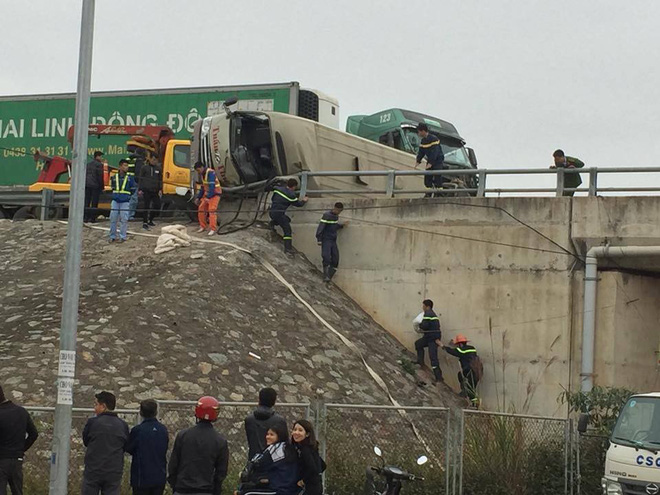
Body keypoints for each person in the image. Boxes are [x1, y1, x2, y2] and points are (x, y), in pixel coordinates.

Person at [168, 396, 229, 495]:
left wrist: (174, 485)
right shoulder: (220, 441)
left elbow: (173, 464)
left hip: (182, 488)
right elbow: (221, 472)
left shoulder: (183, 435)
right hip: (205, 490)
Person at [82, 391, 130, 495]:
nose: (94, 408)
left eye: (96, 404)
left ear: (103, 406)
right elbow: (125, 446)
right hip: (114, 470)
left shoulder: (92, 423)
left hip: (93, 469)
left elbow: (86, 441)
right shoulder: (122, 425)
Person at [0, 385, 38, 495]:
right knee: (17, 491)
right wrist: (21, 449)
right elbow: (34, 434)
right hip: (17, 459)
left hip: (1, 460)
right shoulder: (21, 412)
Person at [126, 399, 169, 495]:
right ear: (156, 412)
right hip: (159, 476)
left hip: (141, 477)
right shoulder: (163, 430)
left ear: (141, 413)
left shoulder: (138, 430)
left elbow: (129, 448)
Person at [241, 424, 299, 495]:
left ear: (279, 436)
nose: (268, 437)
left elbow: (258, 464)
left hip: (280, 489)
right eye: (267, 434)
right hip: (291, 488)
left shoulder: (274, 449)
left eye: (272, 435)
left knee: (246, 493)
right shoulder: (287, 447)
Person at [245, 388, 288, 460]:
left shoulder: (249, 420)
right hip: (274, 460)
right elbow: (285, 443)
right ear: (274, 401)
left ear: (259, 399)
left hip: (254, 459)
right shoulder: (280, 421)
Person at [440, 334, 482, 407]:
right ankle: (473, 402)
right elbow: (461, 351)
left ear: (460, 344)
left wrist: (443, 346)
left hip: (470, 370)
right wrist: (454, 345)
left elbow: (455, 352)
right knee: (471, 387)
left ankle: (467, 395)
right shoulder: (471, 348)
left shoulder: (462, 350)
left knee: (466, 384)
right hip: (477, 370)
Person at [269, 179, 308, 254]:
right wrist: (304, 200)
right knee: (287, 230)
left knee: (287, 219)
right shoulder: (291, 195)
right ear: (293, 187)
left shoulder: (278, 189)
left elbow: (273, 198)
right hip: (279, 214)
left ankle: (272, 223)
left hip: (271, 212)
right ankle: (288, 248)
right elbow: (298, 204)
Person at [291, 420, 326, 495]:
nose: (296, 432)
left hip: (309, 489)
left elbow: (312, 468)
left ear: (307, 434)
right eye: (295, 429)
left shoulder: (304, 450)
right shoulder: (311, 448)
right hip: (317, 487)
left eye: (300, 430)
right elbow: (323, 465)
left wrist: (303, 481)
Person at [316, 202, 347, 283]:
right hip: (326, 239)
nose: (339, 213)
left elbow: (334, 226)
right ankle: (325, 276)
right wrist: (319, 239)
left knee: (335, 259)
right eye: (339, 211)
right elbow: (321, 227)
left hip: (333, 240)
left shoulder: (336, 216)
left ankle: (329, 276)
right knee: (326, 256)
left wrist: (341, 226)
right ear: (336, 209)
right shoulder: (327, 215)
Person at [414, 299, 443, 382]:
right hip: (430, 336)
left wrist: (419, 325)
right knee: (418, 344)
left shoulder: (428, 313)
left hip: (433, 338)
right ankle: (420, 362)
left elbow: (425, 325)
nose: (422, 307)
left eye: (423, 306)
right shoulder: (431, 314)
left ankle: (439, 377)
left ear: (427, 306)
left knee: (433, 357)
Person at [109, 159, 136, 243]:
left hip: (125, 201)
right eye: (124, 165)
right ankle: (112, 236)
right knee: (113, 219)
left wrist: (127, 196)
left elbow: (133, 189)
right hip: (115, 201)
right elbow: (112, 187)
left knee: (124, 220)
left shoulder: (130, 178)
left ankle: (122, 237)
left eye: (127, 166)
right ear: (120, 166)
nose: (126, 167)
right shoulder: (114, 177)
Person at [414, 123, 445, 197]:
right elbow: (421, 152)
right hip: (430, 160)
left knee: (437, 174)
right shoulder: (423, 141)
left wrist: (431, 163)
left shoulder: (434, 139)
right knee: (427, 176)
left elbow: (435, 152)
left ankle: (439, 192)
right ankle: (429, 191)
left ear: (423, 131)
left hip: (437, 160)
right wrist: (418, 160)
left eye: (419, 131)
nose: (418, 133)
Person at [194, 162, 223, 236]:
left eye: (198, 170)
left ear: (201, 167)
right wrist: (198, 197)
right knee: (201, 209)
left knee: (212, 210)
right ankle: (203, 226)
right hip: (208, 194)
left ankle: (213, 229)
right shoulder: (203, 174)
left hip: (215, 194)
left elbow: (212, 186)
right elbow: (203, 187)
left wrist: (208, 197)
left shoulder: (210, 173)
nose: (198, 172)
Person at [138, 153, 163, 231]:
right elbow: (140, 179)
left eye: (156, 160)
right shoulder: (144, 168)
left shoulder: (158, 168)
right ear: (150, 159)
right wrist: (140, 189)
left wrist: (160, 189)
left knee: (157, 205)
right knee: (146, 206)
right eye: (154, 159)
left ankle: (151, 220)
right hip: (146, 190)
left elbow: (160, 180)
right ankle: (145, 222)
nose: (155, 161)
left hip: (155, 190)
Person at [84, 150, 105, 223]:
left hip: (87, 185)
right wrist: (102, 187)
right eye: (101, 156)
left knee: (87, 201)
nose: (102, 158)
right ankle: (92, 218)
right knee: (94, 202)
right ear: (97, 156)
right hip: (95, 186)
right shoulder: (99, 165)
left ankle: (85, 217)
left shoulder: (88, 164)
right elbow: (100, 177)